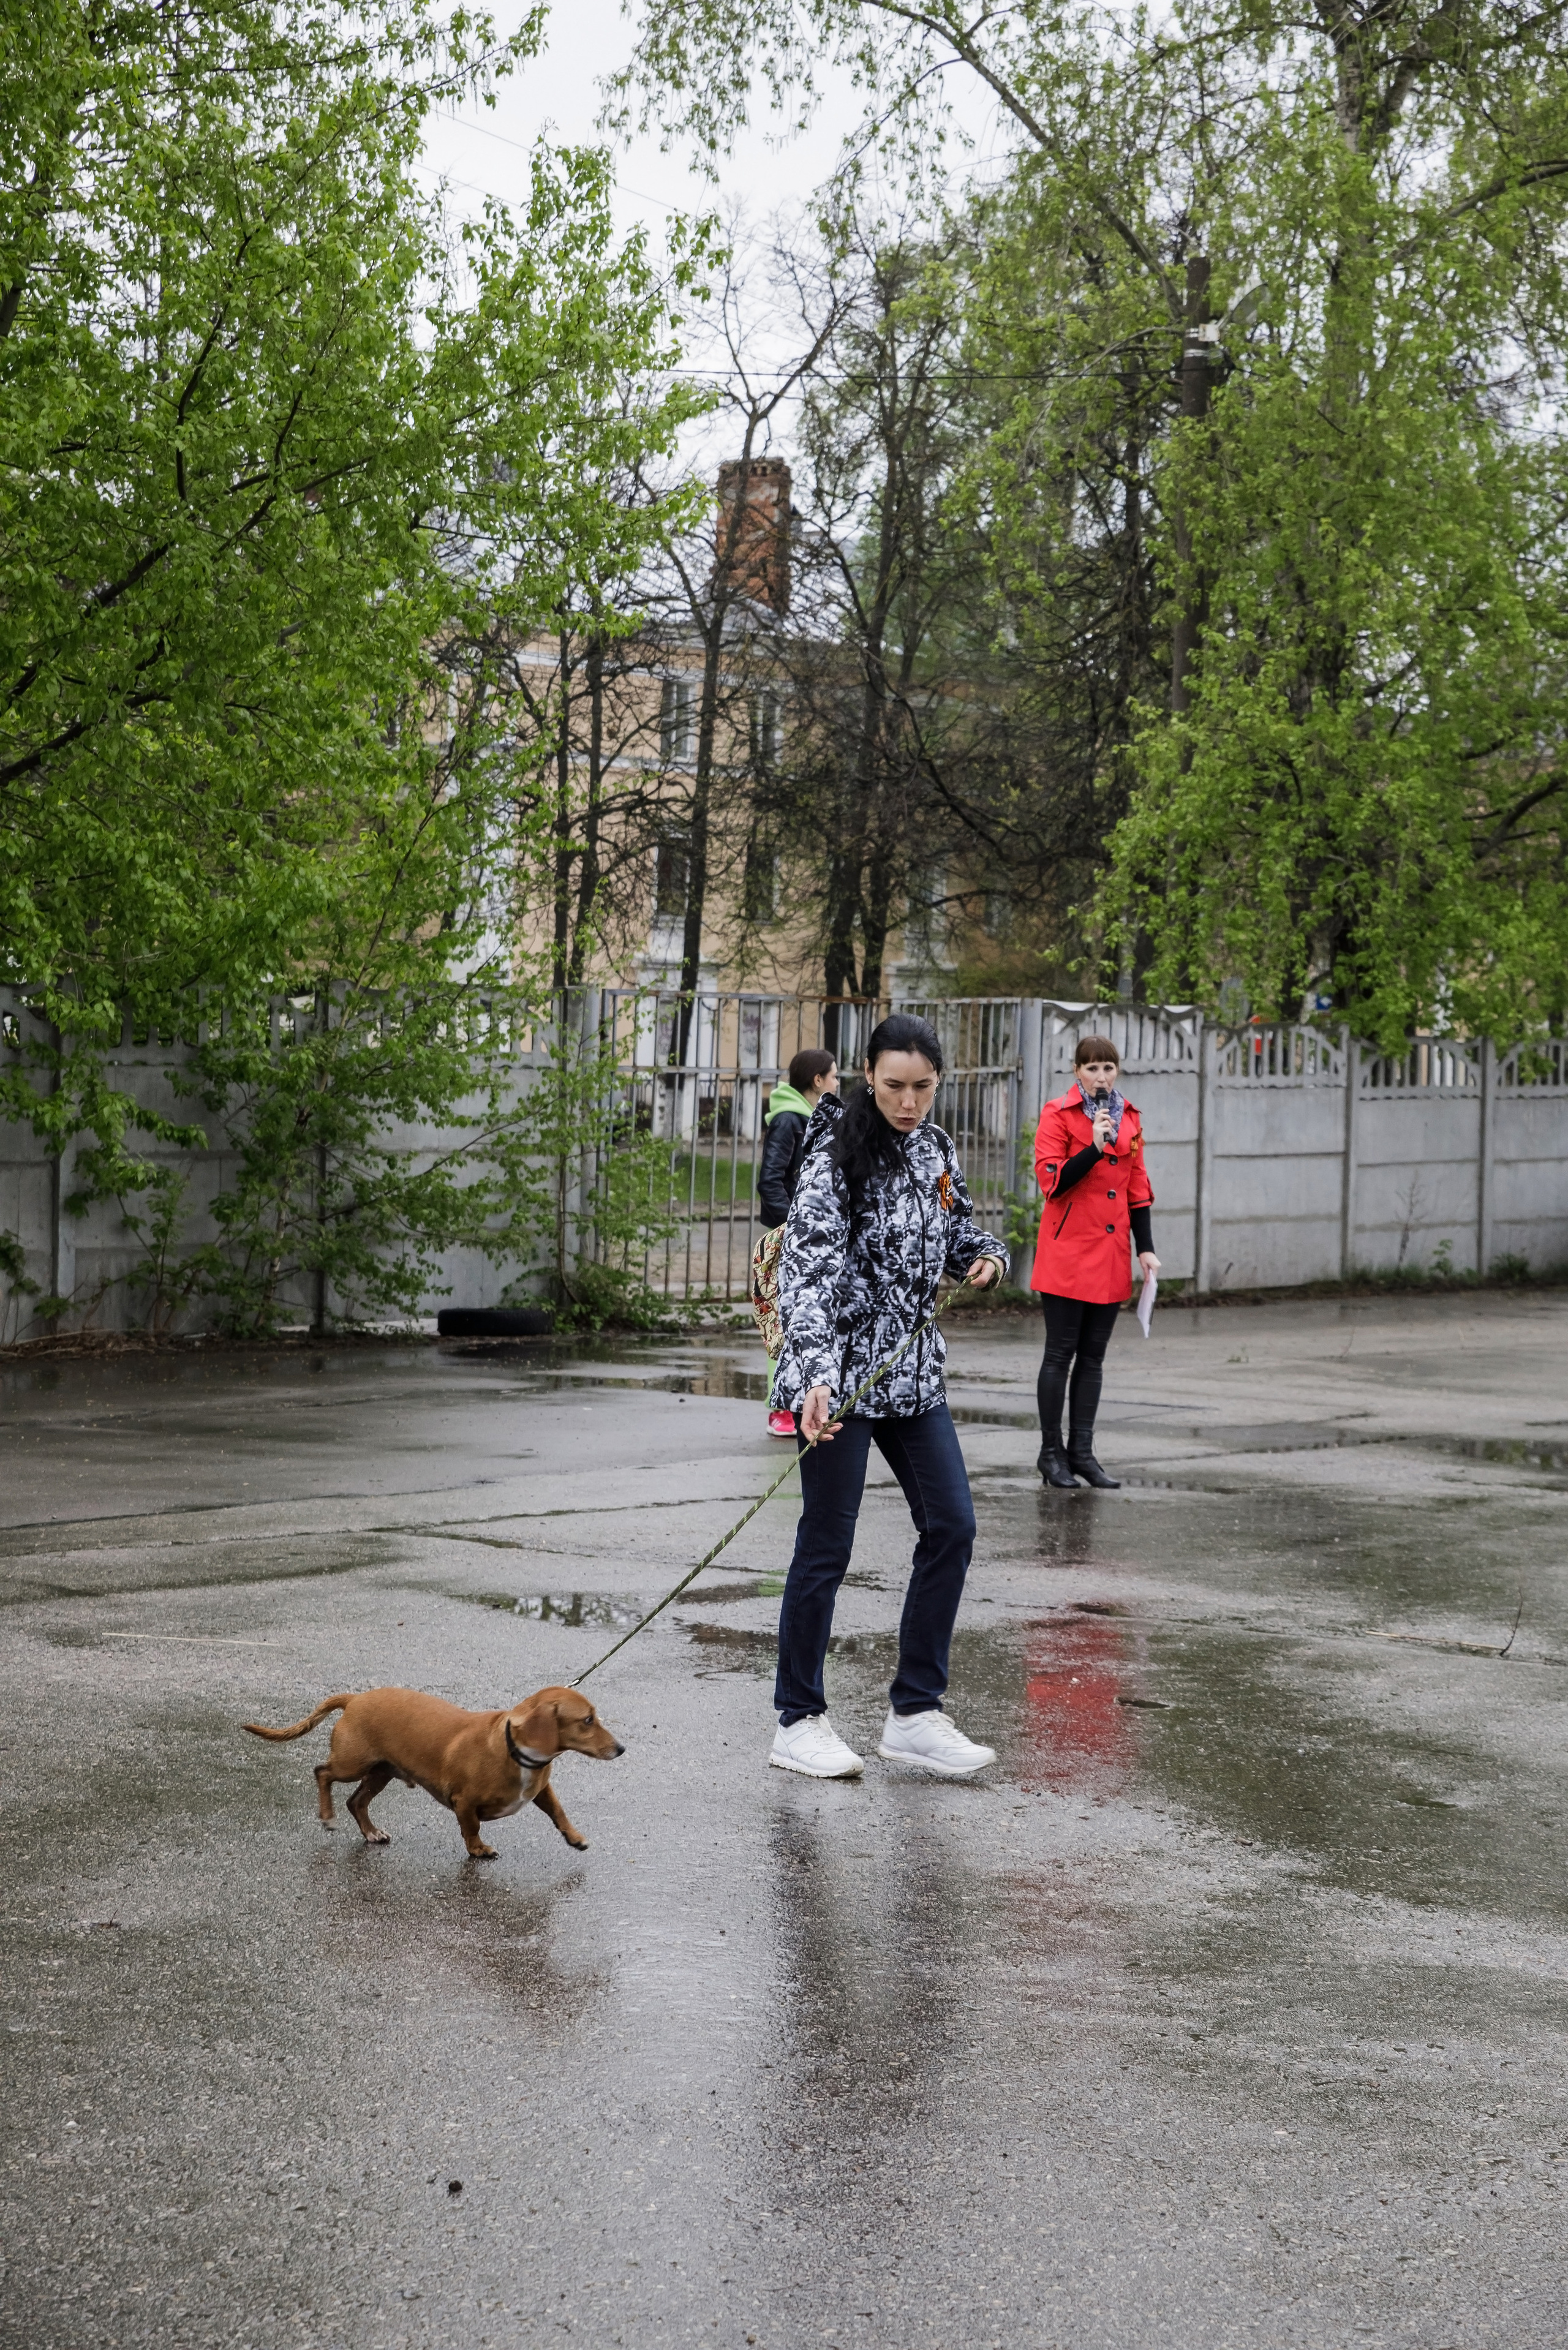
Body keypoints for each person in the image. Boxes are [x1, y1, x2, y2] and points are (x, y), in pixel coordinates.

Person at [768, 1012, 1009, 1780]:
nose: (909, 1102)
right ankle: (797, 1720)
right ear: (867, 1076)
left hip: (913, 1378)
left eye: (923, 1087)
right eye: (895, 1086)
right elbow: (807, 1275)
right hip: (837, 1383)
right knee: (826, 1546)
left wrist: (987, 1258)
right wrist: (815, 1377)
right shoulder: (832, 1156)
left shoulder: (935, 1148)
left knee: (953, 1527)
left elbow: (958, 1232)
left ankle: (914, 1714)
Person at [1030, 1032, 1159, 1491]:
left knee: (1093, 1358)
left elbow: (1137, 1187)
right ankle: (1051, 1454)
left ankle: (1082, 1453)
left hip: (1110, 1254)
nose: (1101, 1076)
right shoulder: (1057, 1114)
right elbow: (1052, 1183)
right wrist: (1093, 1146)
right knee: (1059, 1354)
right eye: (1092, 1068)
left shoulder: (1130, 1118)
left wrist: (1145, 1247)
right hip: (1067, 1254)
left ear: (1116, 1071)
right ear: (1077, 1072)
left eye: (1108, 1067)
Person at [753, 1048, 839, 1437]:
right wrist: (796, 1226)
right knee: (786, 1322)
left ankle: (804, 1403)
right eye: (833, 1076)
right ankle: (781, 1409)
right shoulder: (789, 1120)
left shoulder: (818, 1120)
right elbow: (770, 1180)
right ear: (818, 1080)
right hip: (792, 1237)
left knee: (810, 1321)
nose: (837, 1083)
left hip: (810, 1235)